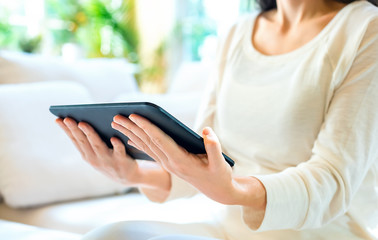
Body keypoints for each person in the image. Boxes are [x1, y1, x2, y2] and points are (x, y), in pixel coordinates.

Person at [56, 0, 378, 239]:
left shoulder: (366, 29)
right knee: (113, 235)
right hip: (226, 228)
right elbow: (200, 162)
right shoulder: (238, 32)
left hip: (317, 234)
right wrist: (135, 172)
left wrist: (235, 191)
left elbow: (334, 180)